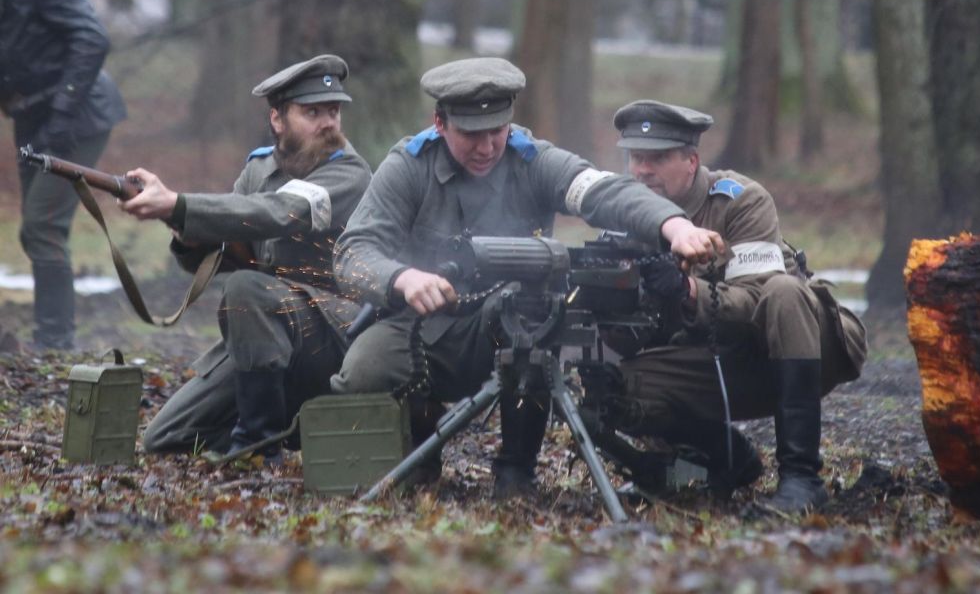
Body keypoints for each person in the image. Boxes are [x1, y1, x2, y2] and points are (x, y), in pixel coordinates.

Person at [330, 57, 726, 497]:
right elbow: (352, 254)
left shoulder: (533, 159)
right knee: (363, 372)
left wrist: (673, 226)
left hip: (513, 321)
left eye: (497, 131)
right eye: (471, 134)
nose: (487, 147)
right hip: (425, 323)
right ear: (439, 124)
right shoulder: (409, 165)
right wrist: (402, 278)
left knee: (533, 310)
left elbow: (604, 191)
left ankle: (517, 469)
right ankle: (419, 446)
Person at [603, 99, 867, 512]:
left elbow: (758, 297)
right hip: (720, 362)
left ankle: (802, 478)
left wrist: (688, 291)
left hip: (802, 345)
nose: (643, 170)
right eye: (636, 157)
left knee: (784, 292)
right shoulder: (627, 216)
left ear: (692, 161)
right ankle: (721, 458)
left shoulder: (739, 200)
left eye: (658, 158)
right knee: (612, 385)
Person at [121, 55, 371, 461]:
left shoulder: (349, 173)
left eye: (333, 111)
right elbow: (227, 248)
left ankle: (258, 445)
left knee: (248, 289)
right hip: (268, 339)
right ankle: (288, 423)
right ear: (277, 119)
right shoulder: (259, 170)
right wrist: (186, 230)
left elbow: (279, 213)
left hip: (337, 341)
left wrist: (178, 204)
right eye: (312, 112)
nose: (328, 123)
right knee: (166, 436)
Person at [0, 0, 127, 350]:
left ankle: (54, 342)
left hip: (75, 117)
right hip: (31, 116)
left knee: (42, 227)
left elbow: (93, 39)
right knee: (38, 231)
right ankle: (51, 338)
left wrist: (62, 114)